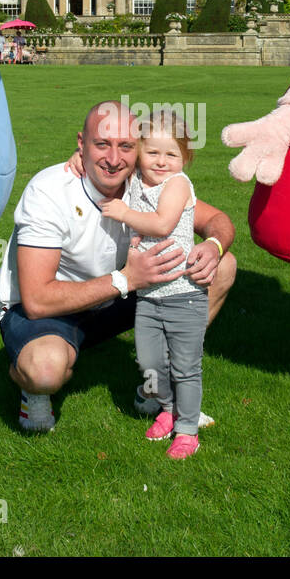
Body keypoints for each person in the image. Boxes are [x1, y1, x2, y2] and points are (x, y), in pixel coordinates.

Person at [0, 100, 236, 433]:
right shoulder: (49, 191)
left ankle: (158, 382)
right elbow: (37, 301)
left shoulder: (143, 179)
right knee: (45, 371)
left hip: (113, 294)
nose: (113, 158)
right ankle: (30, 389)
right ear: (81, 144)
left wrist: (213, 245)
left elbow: (218, 220)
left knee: (221, 267)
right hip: (46, 310)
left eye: (125, 146)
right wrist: (127, 279)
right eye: (101, 144)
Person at [98, 108, 207, 459]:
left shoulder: (178, 184)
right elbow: (111, 165)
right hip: (148, 296)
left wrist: (123, 213)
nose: (161, 161)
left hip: (184, 294)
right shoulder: (136, 183)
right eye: (153, 152)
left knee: (185, 367)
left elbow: (161, 224)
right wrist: (76, 158)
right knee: (148, 362)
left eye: (171, 154)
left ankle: (188, 428)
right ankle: (167, 408)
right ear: (139, 152)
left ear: (184, 158)